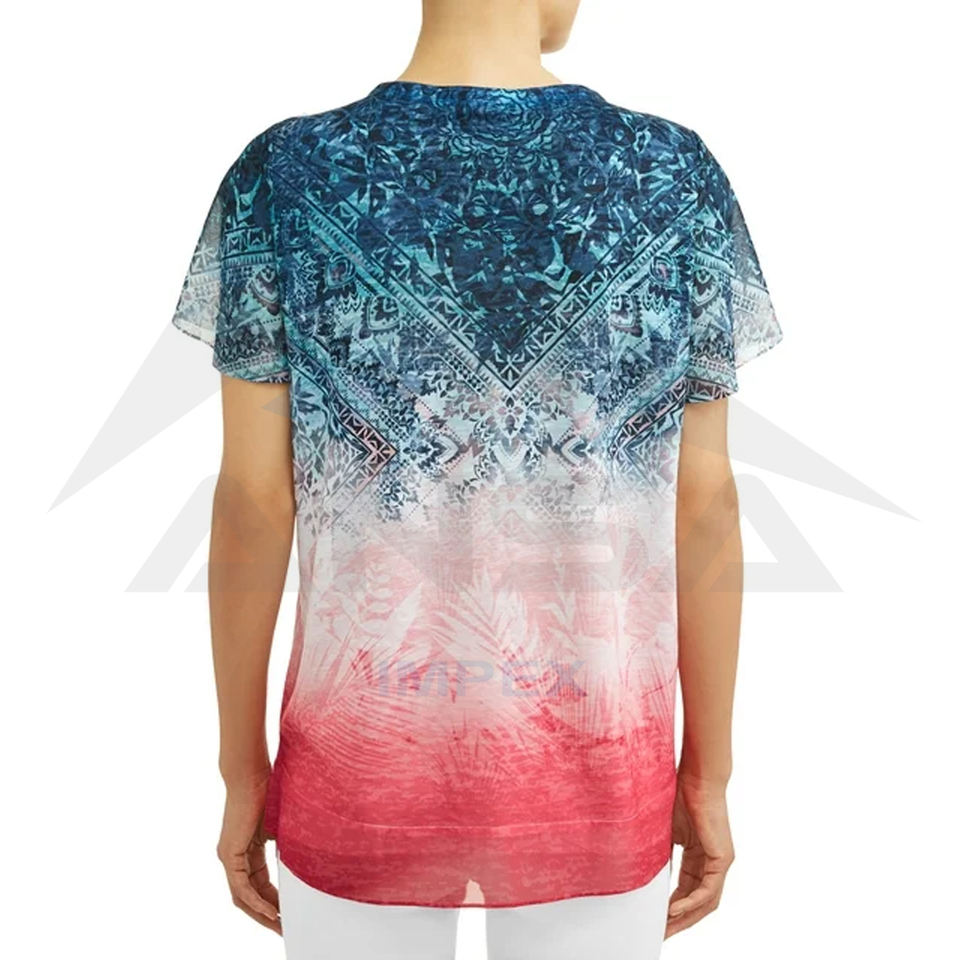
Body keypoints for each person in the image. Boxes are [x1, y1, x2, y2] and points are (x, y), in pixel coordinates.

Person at [168, 1, 783, 956]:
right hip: (601, 774)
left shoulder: (283, 174)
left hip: (359, 770)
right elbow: (704, 506)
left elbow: (253, 501)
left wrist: (243, 770)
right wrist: (708, 774)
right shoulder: (673, 176)